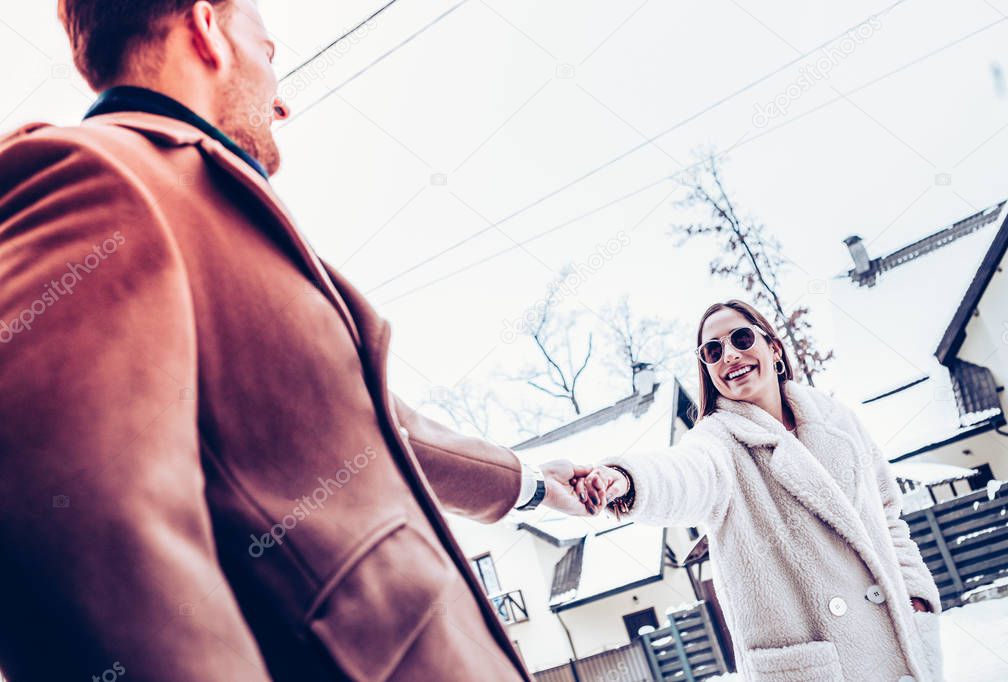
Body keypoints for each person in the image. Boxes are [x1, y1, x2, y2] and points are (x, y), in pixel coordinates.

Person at [0, 2, 587, 680]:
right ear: (206, 29)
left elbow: (372, 430)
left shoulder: (201, 202)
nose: (283, 105)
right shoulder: (93, 175)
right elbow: (67, 529)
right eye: (269, 52)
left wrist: (535, 487)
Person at [577, 300, 943, 682]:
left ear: (773, 348)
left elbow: (888, 515)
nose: (730, 355)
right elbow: (682, 475)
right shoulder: (717, 443)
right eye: (713, 351)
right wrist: (625, 480)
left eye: (741, 338)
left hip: (901, 646)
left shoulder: (837, 420)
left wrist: (915, 598)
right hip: (818, 668)